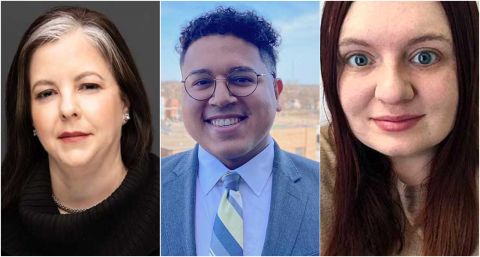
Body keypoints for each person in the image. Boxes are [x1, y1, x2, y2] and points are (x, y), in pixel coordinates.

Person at [320, 1, 478, 255]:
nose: (392, 92)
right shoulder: (314, 173)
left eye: (425, 56)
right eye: (359, 59)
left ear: (468, 65)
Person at [161, 7, 319, 256]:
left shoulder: (330, 192)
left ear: (277, 92)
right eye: (202, 83)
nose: (221, 98)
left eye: (241, 79)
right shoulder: (151, 189)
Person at [1, 6, 159, 255]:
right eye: (46, 93)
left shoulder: (177, 202)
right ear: (29, 116)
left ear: (125, 101)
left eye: (88, 86)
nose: (67, 109)